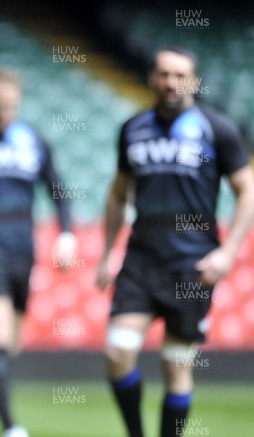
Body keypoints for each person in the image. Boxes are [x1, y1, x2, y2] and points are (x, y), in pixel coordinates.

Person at [95, 45, 254, 437]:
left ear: (194, 82)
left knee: (175, 364)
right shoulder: (132, 128)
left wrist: (229, 251)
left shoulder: (217, 129)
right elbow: (118, 193)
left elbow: (246, 190)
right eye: (164, 73)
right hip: (141, 260)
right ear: (152, 78)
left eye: (180, 75)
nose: (171, 82)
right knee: (117, 352)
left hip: (193, 263)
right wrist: (106, 254)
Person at [0, 69, 77, 437]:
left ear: (19, 101)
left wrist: (67, 233)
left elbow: (59, 190)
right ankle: (11, 427)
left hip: (24, 253)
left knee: (8, 346)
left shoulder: (33, 141)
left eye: (10, 105)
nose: (4, 112)